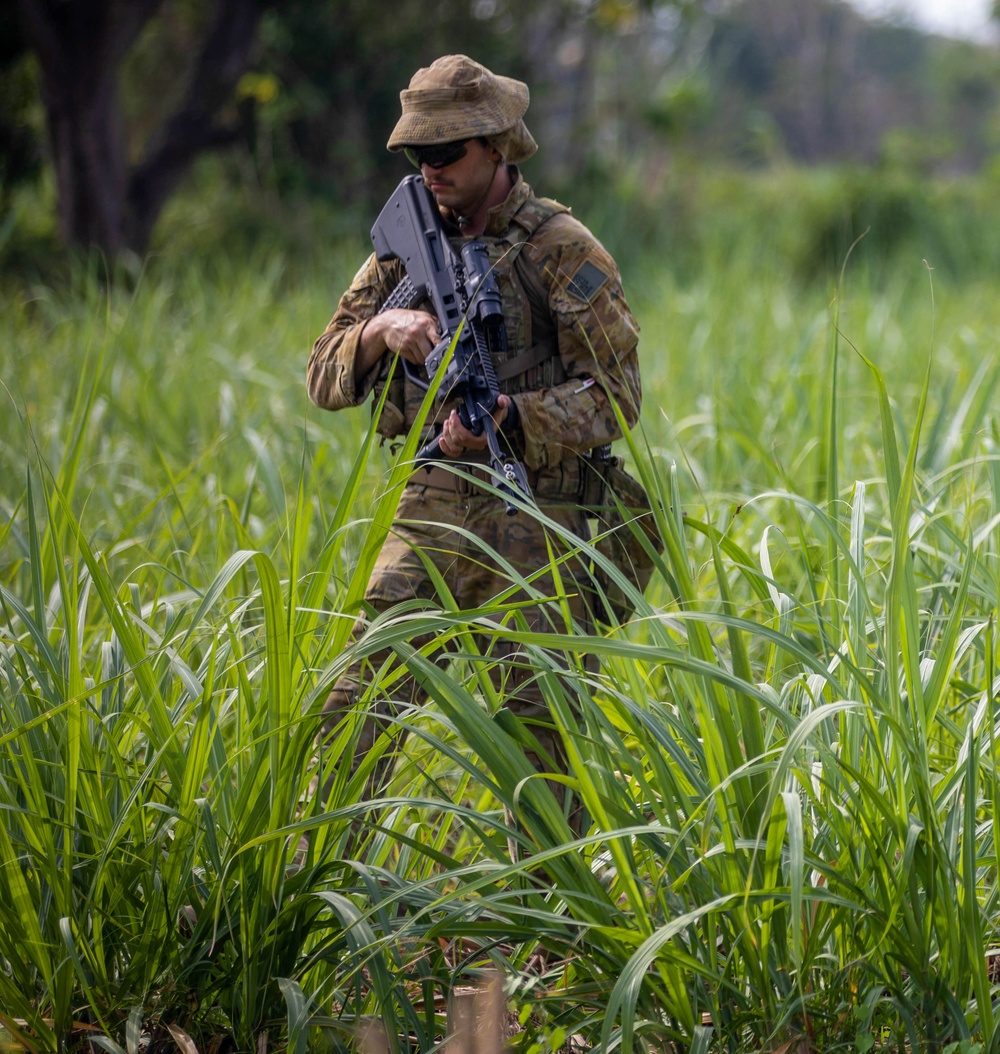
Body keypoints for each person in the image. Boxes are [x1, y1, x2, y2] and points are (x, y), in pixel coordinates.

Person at [307, 54, 642, 814]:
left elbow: (618, 395)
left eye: (447, 152)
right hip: (429, 502)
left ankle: (557, 920)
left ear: (497, 146)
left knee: (540, 736)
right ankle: (307, 887)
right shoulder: (400, 250)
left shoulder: (561, 248)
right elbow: (322, 376)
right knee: (356, 708)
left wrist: (513, 417)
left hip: (535, 514)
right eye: (418, 155)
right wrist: (381, 331)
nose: (431, 170)